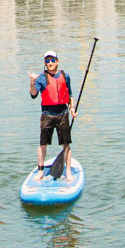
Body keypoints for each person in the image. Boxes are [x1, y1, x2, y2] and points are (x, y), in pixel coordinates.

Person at [29, 50, 77, 182]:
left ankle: (68, 172)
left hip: (63, 114)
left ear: (57, 61)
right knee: (43, 144)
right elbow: (33, 95)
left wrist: (72, 108)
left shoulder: (65, 76)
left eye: (52, 60)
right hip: (47, 115)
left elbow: (70, 95)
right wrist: (32, 82)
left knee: (66, 144)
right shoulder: (41, 78)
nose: (50, 63)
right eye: (47, 61)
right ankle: (40, 171)